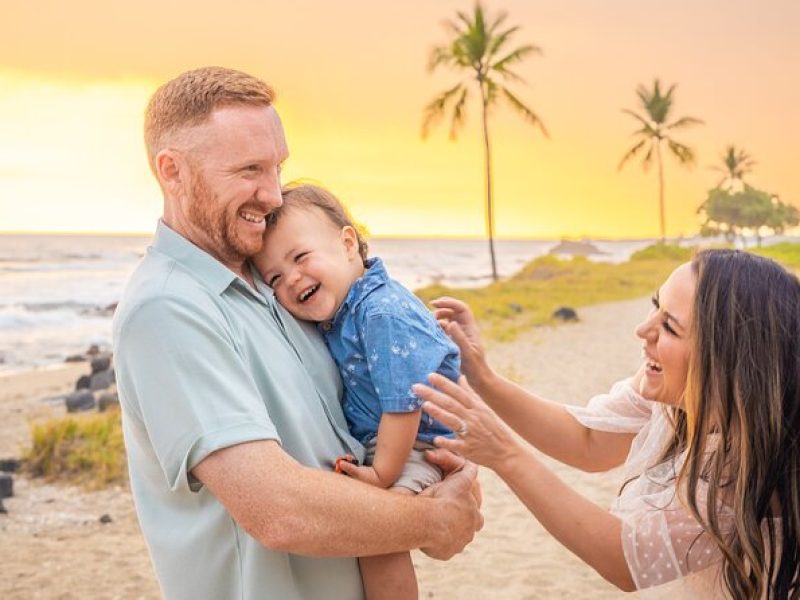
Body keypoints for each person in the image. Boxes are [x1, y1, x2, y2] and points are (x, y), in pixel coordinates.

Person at [112, 66, 482, 600]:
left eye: (277, 167)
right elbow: (277, 509)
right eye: (249, 170)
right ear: (173, 171)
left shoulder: (275, 288)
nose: (271, 193)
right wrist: (431, 520)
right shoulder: (167, 309)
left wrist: (437, 463)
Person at [416, 249, 800, 598]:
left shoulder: (749, 469)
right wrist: (484, 378)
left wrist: (504, 454)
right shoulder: (671, 391)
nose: (643, 330)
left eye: (670, 327)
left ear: (726, 364)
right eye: (655, 307)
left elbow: (625, 561)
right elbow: (587, 440)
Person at [252, 183, 459, 599]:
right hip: (394, 439)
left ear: (348, 243)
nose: (292, 278)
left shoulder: (380, 311)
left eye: (300, 257)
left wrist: (382, 474)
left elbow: (405, 405)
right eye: (274, 277)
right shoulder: (345, 308)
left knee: (380, 536)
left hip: (420, 441)